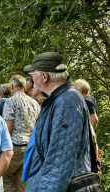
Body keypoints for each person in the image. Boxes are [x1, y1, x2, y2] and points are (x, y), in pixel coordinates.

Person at [23, 52, 91, 191]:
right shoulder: (57, 99)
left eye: (33, 74)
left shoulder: (67, 102)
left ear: (44, 76)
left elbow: (61, 160)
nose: (31, 79)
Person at [2, 75, 40, 192]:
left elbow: (8, 128)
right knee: (22, 182)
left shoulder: (11, 102)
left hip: (15, 147)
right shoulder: (34, 103)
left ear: (12, 86)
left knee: (5, 177)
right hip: (31, 147)